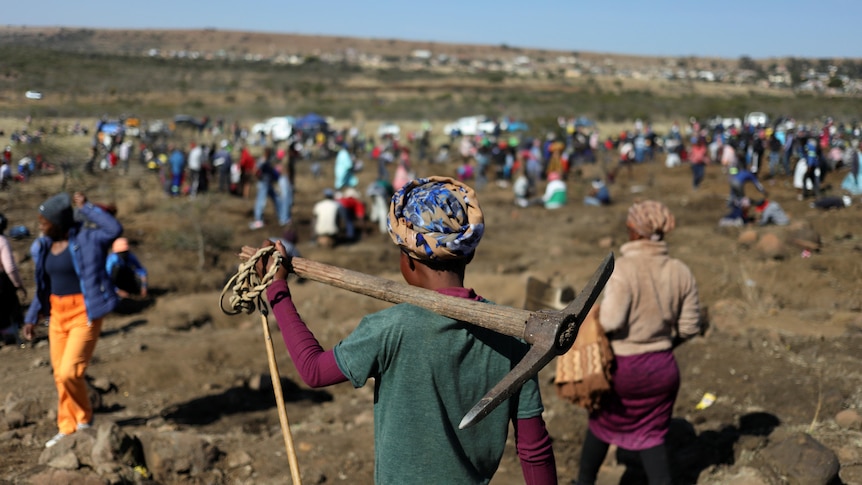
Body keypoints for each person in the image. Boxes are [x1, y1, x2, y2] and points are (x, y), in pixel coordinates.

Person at [243, 176, 556, 484]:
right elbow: (533, 449)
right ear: (469, 253)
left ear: (408, 261)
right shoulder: (513, 334)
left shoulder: (390, 329)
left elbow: (314, 371)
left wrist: (278, 289)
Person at [577, 200, 701, 485]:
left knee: (600, 426)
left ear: (634, 231)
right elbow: (690, 327)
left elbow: (610, 321)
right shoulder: (680, 271)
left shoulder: (623, 269)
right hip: (663, 370)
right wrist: (660, 345)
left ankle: (584, 482)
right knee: (652, 435)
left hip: (624, 370)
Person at [23, 192, 123, 448]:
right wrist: (32, 316)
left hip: (84, 311)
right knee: (59, 375)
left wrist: (86, 208)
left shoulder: (89, 238)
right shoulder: (44, 246)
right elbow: (44, 287)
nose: (40, 226)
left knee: (70, 372)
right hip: (57, 313)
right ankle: (67, 427)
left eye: (44, 222)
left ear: (58, 223)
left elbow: (114, 229)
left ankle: (84, 418)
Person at [0, 213, 27, 343]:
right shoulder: (2, 241)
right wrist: (18, 284)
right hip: (1, 280)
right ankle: (9, 335)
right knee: (8, 308)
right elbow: (10, 267)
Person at [249, 147, 284, 230]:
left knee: (276, 198)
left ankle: (282, 217)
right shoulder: (262, 160)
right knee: (261, 201)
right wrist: (259, 177)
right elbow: (255, 170)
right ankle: (259, 220)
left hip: (268, 183)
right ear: (266, 153)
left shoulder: (267, 160)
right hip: (263, 183)